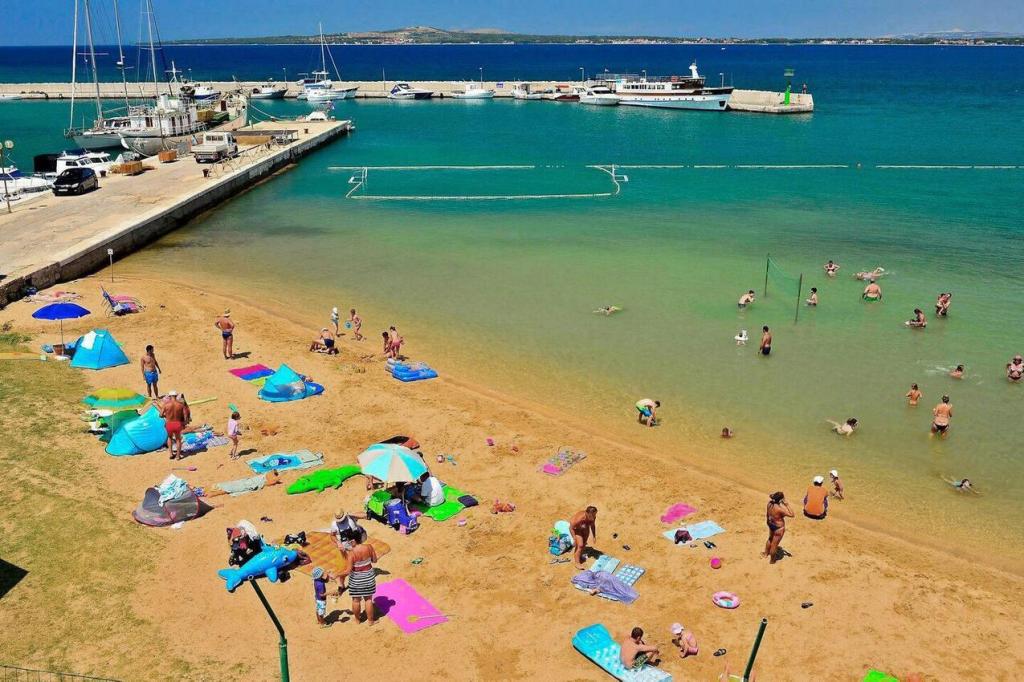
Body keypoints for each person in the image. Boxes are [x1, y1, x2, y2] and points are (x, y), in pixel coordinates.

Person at [340, 530, 378, 625]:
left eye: (349, 541)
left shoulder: (351, 554)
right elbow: (374, 560)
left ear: (353, 541)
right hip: (368, 577)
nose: (348, 543)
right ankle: (370, 621)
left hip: (356, 580)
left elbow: (348, 571)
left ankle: (357, 620)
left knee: (356, 600)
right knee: (368, 600)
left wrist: (336, 575)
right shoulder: (369, 547)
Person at [763, 492, 793, 564]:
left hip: (771, 524)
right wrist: (787, 505)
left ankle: (766, 554)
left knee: (770, 538)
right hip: (778, 528)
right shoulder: (780, 509)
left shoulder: (769, 504)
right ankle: (772, 560)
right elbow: (792, 514)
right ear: (781, 500)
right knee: (774, 545)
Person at [160, 390, 187, 460]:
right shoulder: (181, 405)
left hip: (169, 424)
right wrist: (184, 423)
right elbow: (185, 415)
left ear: (170, 396)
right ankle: (178, 456)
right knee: (178, 439)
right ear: (176, 396)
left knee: (169, 438)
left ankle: (171, 454)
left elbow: (160, 415)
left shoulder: (166, 404)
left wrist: (166, 416)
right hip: (177, 423)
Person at [570, 506, 598, 570]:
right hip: (576, 529)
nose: (594, 517)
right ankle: (577, 563)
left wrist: (594, 536)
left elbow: (592, 525)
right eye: (592, 515)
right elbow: (571, 528)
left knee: (584, 543)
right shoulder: (579, 519)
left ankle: (579, 556)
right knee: (580, 545)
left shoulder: (593, 516)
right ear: (586, 513)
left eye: (595, 514)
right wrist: (574, 538)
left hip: (585, 527)